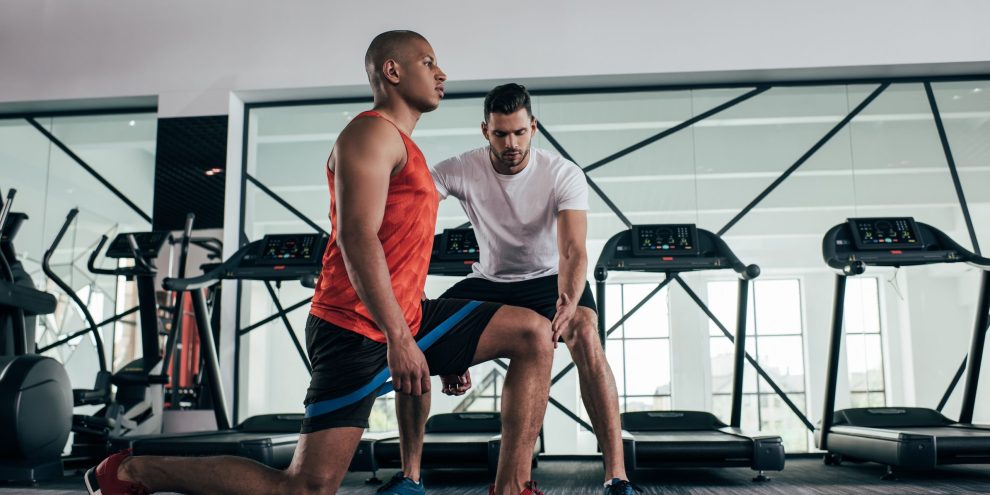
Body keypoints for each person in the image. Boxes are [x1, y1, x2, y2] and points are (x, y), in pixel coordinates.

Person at [85, 31, 552, 495]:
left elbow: (396, 252)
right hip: (355, 330)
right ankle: (134, 471)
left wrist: (448, 344)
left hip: (407, 317)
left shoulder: (404, 147)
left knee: (533, 333)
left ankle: (511, 488)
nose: (441, 73)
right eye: (428, 62)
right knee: (306, 487)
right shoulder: (370, 133)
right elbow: (356, 236)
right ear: (393, 71)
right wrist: (399, 339)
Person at [385, 83, 637, 495]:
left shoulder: (562, 173)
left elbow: (573, 249)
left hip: (549, 279)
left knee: (587, 332)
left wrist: (570, 298)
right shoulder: (460, 168)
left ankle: (616, 476)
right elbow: (409, 208)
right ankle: (410, 476)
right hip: (489, 281)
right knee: (417, 336)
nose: (511, 143)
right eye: (501, 134)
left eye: (519, 133)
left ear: (533, 127)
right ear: (485, 130)